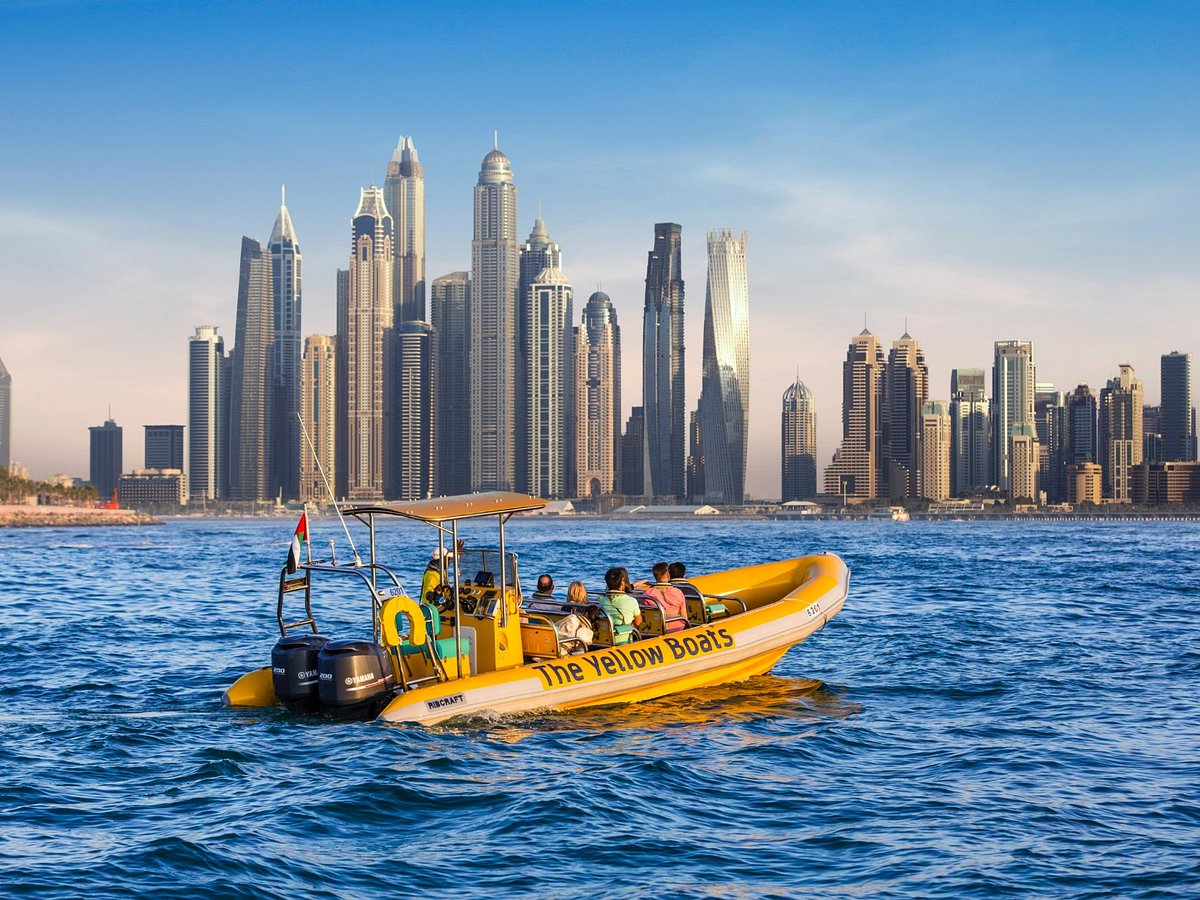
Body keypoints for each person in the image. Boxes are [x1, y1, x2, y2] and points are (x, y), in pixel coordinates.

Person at [641, 561, 688, 631]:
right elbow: (684, 617)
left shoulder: (648, 593)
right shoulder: (678, 592)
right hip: (677, 628)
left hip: (656, 628)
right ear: (668, 575)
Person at [599, 566, 642, 643]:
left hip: (605, 639)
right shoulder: (631, 601)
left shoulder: (602, 601)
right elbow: (638, 621)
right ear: (622, 584)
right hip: (624, 640)